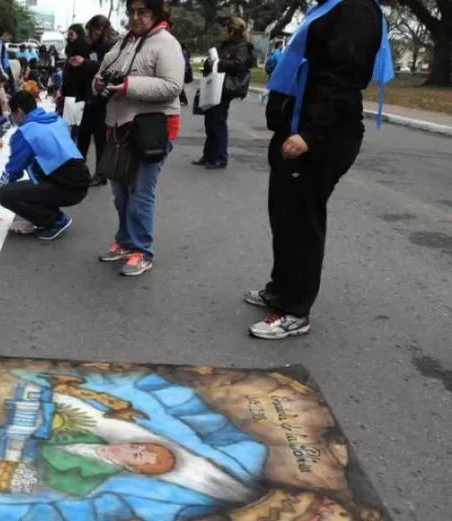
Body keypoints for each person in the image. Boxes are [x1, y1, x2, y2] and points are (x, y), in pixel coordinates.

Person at [248, 0, 392, 340]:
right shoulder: (330, 6)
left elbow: (342, 78)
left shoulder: (356, 9)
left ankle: (295, 310)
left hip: (324, 133)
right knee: (284, 212)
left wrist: (311, 133)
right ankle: (280, 289)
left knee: (301, 219)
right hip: (298, 123)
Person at [93, 0, 183, 277]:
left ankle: (143, 251)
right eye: (131, 11)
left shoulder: (166, 43)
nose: (135, 17)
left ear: (155, 13)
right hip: (118, 127)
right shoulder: (122, 43)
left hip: (150, 131)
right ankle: (125, 241)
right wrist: (97, 82)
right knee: (120, 193)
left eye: (142, 12)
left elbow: (172, 86)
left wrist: (129, 86)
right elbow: (103, 72)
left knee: (140, 194)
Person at [0, 91, 90, 242]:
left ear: (19, 112)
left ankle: (55, 220)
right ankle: (46, 217)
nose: (13, 119)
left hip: (67, 186)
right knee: (32, 177)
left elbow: (12, 172)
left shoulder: (26, 132)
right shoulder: (55, 120)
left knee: (5, 194)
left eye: (13, 114)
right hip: (81, 180)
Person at [193, 17, 254, 170]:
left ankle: (220, 157)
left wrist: (218, 63)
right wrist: (208, 63)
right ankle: (208, 155)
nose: (222, 31)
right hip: (215, 85)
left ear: (232, 30)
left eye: (225, 28)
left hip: (225, 88)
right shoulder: (225, 45)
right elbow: (215, 61)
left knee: (218, 122)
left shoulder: (242, 46)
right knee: (210, 121)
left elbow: (239, 64)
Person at [79, 15, 120, 187]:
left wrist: (86, 63)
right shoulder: (92, 46)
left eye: (92, 30)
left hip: (104, 99)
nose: (90, 33)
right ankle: (79, 172)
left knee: (100, 138)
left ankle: (101, 173)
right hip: (89, 96)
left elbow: (110, 71)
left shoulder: (113, 47)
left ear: (101, 29)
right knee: (83, 135)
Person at [60, 24, 92, 141]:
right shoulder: (71, 48)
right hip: (70, 91)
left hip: (79, 92)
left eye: (72, 34)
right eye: (68, 34)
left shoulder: (82, 48)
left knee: (75, 125)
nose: (69, 37)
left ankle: (73, 150)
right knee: (70, 123)